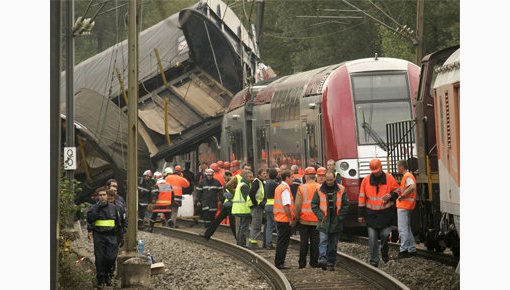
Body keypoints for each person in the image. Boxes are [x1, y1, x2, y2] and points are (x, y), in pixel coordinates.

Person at [358, 158, 399, 267]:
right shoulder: (366, 181)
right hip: (371, 215)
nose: (376, 174)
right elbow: (362, 198)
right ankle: (374, 260)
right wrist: (361, 214)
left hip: (386, 214)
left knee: (385, 235)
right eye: (374, 172)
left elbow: (397, 191)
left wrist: (391, 196)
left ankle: (384, 252)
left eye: (377, 171)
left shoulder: (389, 179)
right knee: (372, 239)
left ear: (381, 168)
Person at [87, 186, 127, 288]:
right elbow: (90, 221)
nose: (102, 197)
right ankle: (101, 279)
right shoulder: (93, 209)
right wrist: (90, 231)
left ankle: (109, 274)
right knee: (100, 258)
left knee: (110, 258)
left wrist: (121, 236)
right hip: (99, 236)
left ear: (107, 195)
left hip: (112, 236)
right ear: (97, 197)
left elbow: (119, 223)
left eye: (104, 195)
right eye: (100, 195)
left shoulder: (114, 208)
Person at [311, 172, 349, 271]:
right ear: (325, 179)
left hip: (336, 221)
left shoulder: (341, 189)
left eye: (331, 180)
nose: (329, 182)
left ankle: (330, 263)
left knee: (333, 244)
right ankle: (323, 259)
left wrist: (340, 217)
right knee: (323, 241)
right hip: (324, 221)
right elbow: (314, 204)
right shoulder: (319, 189)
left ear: (334, 178)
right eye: (327, 180)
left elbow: (345, 205)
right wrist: (321, 216)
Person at [294, 167, 320, 269]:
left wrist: (296, 218)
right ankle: (314, 262)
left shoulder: (302, 188)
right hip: (316, 220)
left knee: (303, 242)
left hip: (304, 220)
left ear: (306, 177)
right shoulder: (320, 187)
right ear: (315, 177)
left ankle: (302, 263)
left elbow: (297, 205)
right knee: (315, 242)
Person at [202, 170, 237, 240]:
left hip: (231, 205)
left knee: (231, 223)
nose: (224, 179)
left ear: (229, 176)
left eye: (225, 177)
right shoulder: (228, 183)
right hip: (227, 205)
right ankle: (207, 234)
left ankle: (238, 238)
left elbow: (233, 194)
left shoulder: (233, 183)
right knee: (218, 220)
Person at [274, 170, 296, 269]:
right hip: (284, 219)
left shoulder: (279, 187)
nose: (293, 179)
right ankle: (280, 262)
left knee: (280, 241)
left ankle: (279, 261)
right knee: (283, 242)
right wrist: (290, 219)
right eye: (292, 177)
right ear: (287, 178)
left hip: (279, 218)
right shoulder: (285, 189)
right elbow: (286, 205)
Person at [395, 160, 417, 258]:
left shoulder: (407, 176)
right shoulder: (408, 176)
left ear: (401, 167)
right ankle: (412, 249)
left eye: (397, 166)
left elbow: (412, 187)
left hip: (404, 206)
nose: (397, 168)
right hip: (407, 205)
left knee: (402, 228)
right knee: (407, 228)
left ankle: (403, 250)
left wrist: (402, 196)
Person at [231, 170, 254, 247]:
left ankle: (240, 242)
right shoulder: (244, 186)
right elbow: (247, 198)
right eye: (250, 177)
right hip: (244, 209)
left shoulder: (241, 184)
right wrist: (252, 206)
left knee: (242, 226)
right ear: (246, 177)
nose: (252, 179)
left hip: (239, 209)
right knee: (244, 227)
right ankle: (242, 243)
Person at [247, 168, 268, 249]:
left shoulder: (262, 182)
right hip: (256, 207)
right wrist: (256, 203)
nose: (265, 175)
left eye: (266, 173)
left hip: (258, 206)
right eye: (263, 173)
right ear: (259, 175)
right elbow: (251, 193)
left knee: (256, 224)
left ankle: (252, 242)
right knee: (256, 224)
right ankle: (253, 243)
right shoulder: (257, 182)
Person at [263, 168, 279, 250]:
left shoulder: (267, 183)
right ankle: (279, 243)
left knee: (269, 225)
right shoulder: (275, 183)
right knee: (277, 225)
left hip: (267, 205)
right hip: (274, 206)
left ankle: (268, 244)